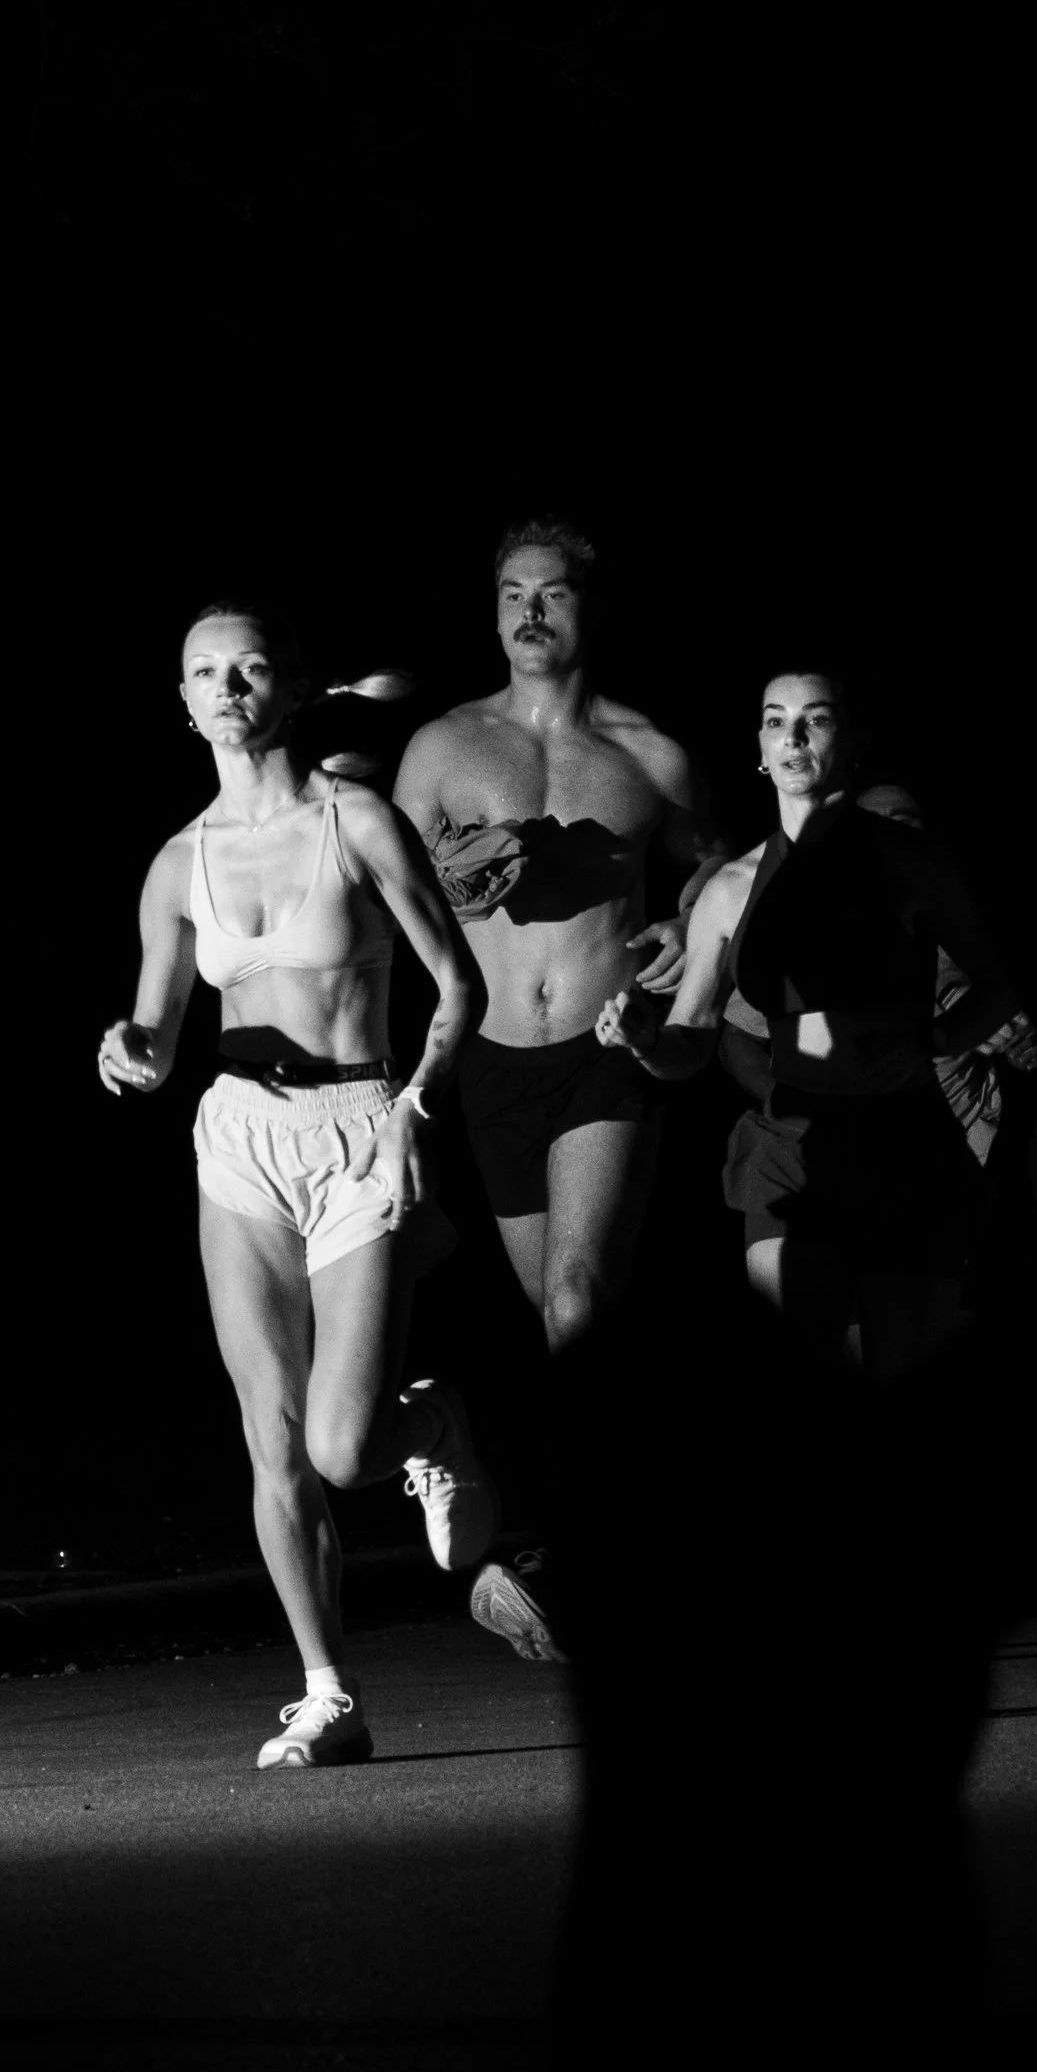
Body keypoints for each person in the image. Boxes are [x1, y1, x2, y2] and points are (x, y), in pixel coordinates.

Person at [99, 599, 496, 1769]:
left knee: (338, 1445)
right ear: (182, 702)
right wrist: (126, 1049)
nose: (227, 687)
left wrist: (417, 1106)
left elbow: (455, 985)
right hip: (239, 1138)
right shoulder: (179, 862)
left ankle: (427, 1421)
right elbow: (159, 1030)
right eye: (204, 673)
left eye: (249, 666)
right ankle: (327, 1691)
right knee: (268, 1439)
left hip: (362, 1123)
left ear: (285, 686)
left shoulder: (354, 820)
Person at [390, 519, 724, 1654]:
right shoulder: (439, 747)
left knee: (578, 1299)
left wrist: (685, 928)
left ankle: (569, 1548)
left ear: (590, 608)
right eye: (511, 594)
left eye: (554, 594)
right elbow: (381, 896)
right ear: (491, 612)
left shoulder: (649, 754)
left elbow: (722, 871)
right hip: (490, 1061)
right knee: (560, 1325)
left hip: (605, 1050)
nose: (531, 613)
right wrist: (441, 883)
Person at [600, 667, 1021, 1383]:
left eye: (815, 719)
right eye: (775, 719)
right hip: (790, 1139)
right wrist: (644, 1039)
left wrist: (939, 1039)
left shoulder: (911, 863)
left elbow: (1003, 976)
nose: (792, 735)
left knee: (897, 1367)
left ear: (850, 742)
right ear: (760, 750)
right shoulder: (732, 888)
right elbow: (690, 1042)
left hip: (903, 1138)